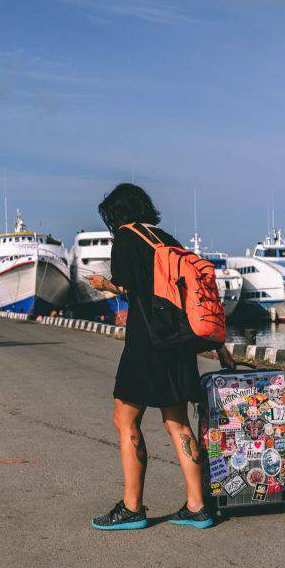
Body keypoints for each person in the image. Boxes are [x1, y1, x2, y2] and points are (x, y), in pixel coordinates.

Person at [89, 183, 234, 531]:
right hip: (180, 343)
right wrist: (219, 345)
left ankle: (132, 507)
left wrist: (103, 284)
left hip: (147, 344)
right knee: (178, 422)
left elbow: (125, 285)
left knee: (126, 420)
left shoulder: (126, 237)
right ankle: (198, 507)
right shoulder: (166, 238)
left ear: (115, 214)